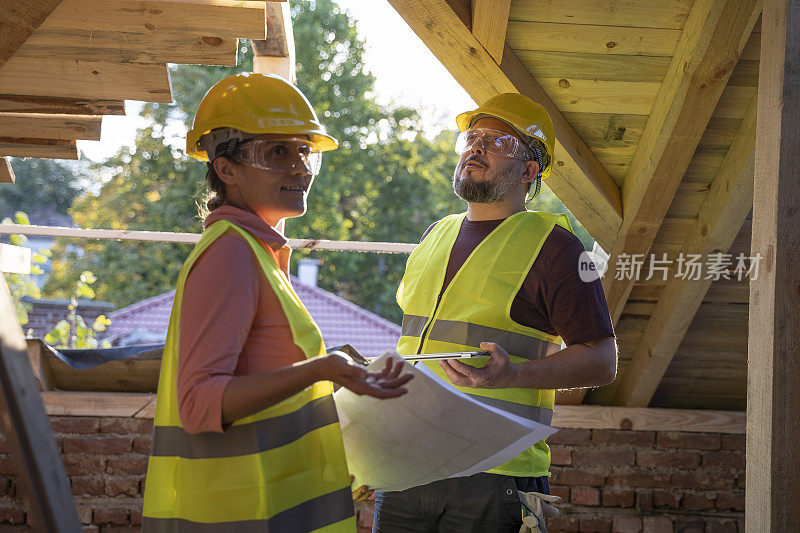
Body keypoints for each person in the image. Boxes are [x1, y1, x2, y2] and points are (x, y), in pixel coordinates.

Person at [142, 72, 411, 532]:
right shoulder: (231, 253)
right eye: (278, 152)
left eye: (304, 152)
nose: (302, 168)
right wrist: (320, 369)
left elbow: (267, 384)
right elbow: (200, 403)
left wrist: (329, 375)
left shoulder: (257, 254)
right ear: (226, 169)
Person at [373, 93, 617, 532]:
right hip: (407, 466)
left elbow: (603, 360)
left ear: (529, 171)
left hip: (496, 476)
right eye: (472, 137)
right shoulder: (433, 236)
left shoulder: (559, 248)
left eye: (497, 141)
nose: (476, 148)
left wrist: (513, 375)